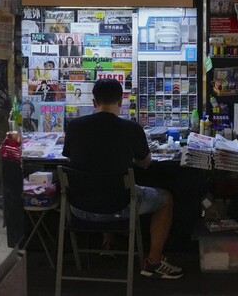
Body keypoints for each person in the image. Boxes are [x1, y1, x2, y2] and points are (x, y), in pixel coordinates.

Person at [62, 78, 183, 279]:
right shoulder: (131, 129)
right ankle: (153, 262)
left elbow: (69, 156)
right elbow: (145, 162)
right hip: (118, 208)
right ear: (121, 101)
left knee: (101, 180)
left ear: (93, 102)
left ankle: (107, 243)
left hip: (78, 209)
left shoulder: (75, 126)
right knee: (165, 199)